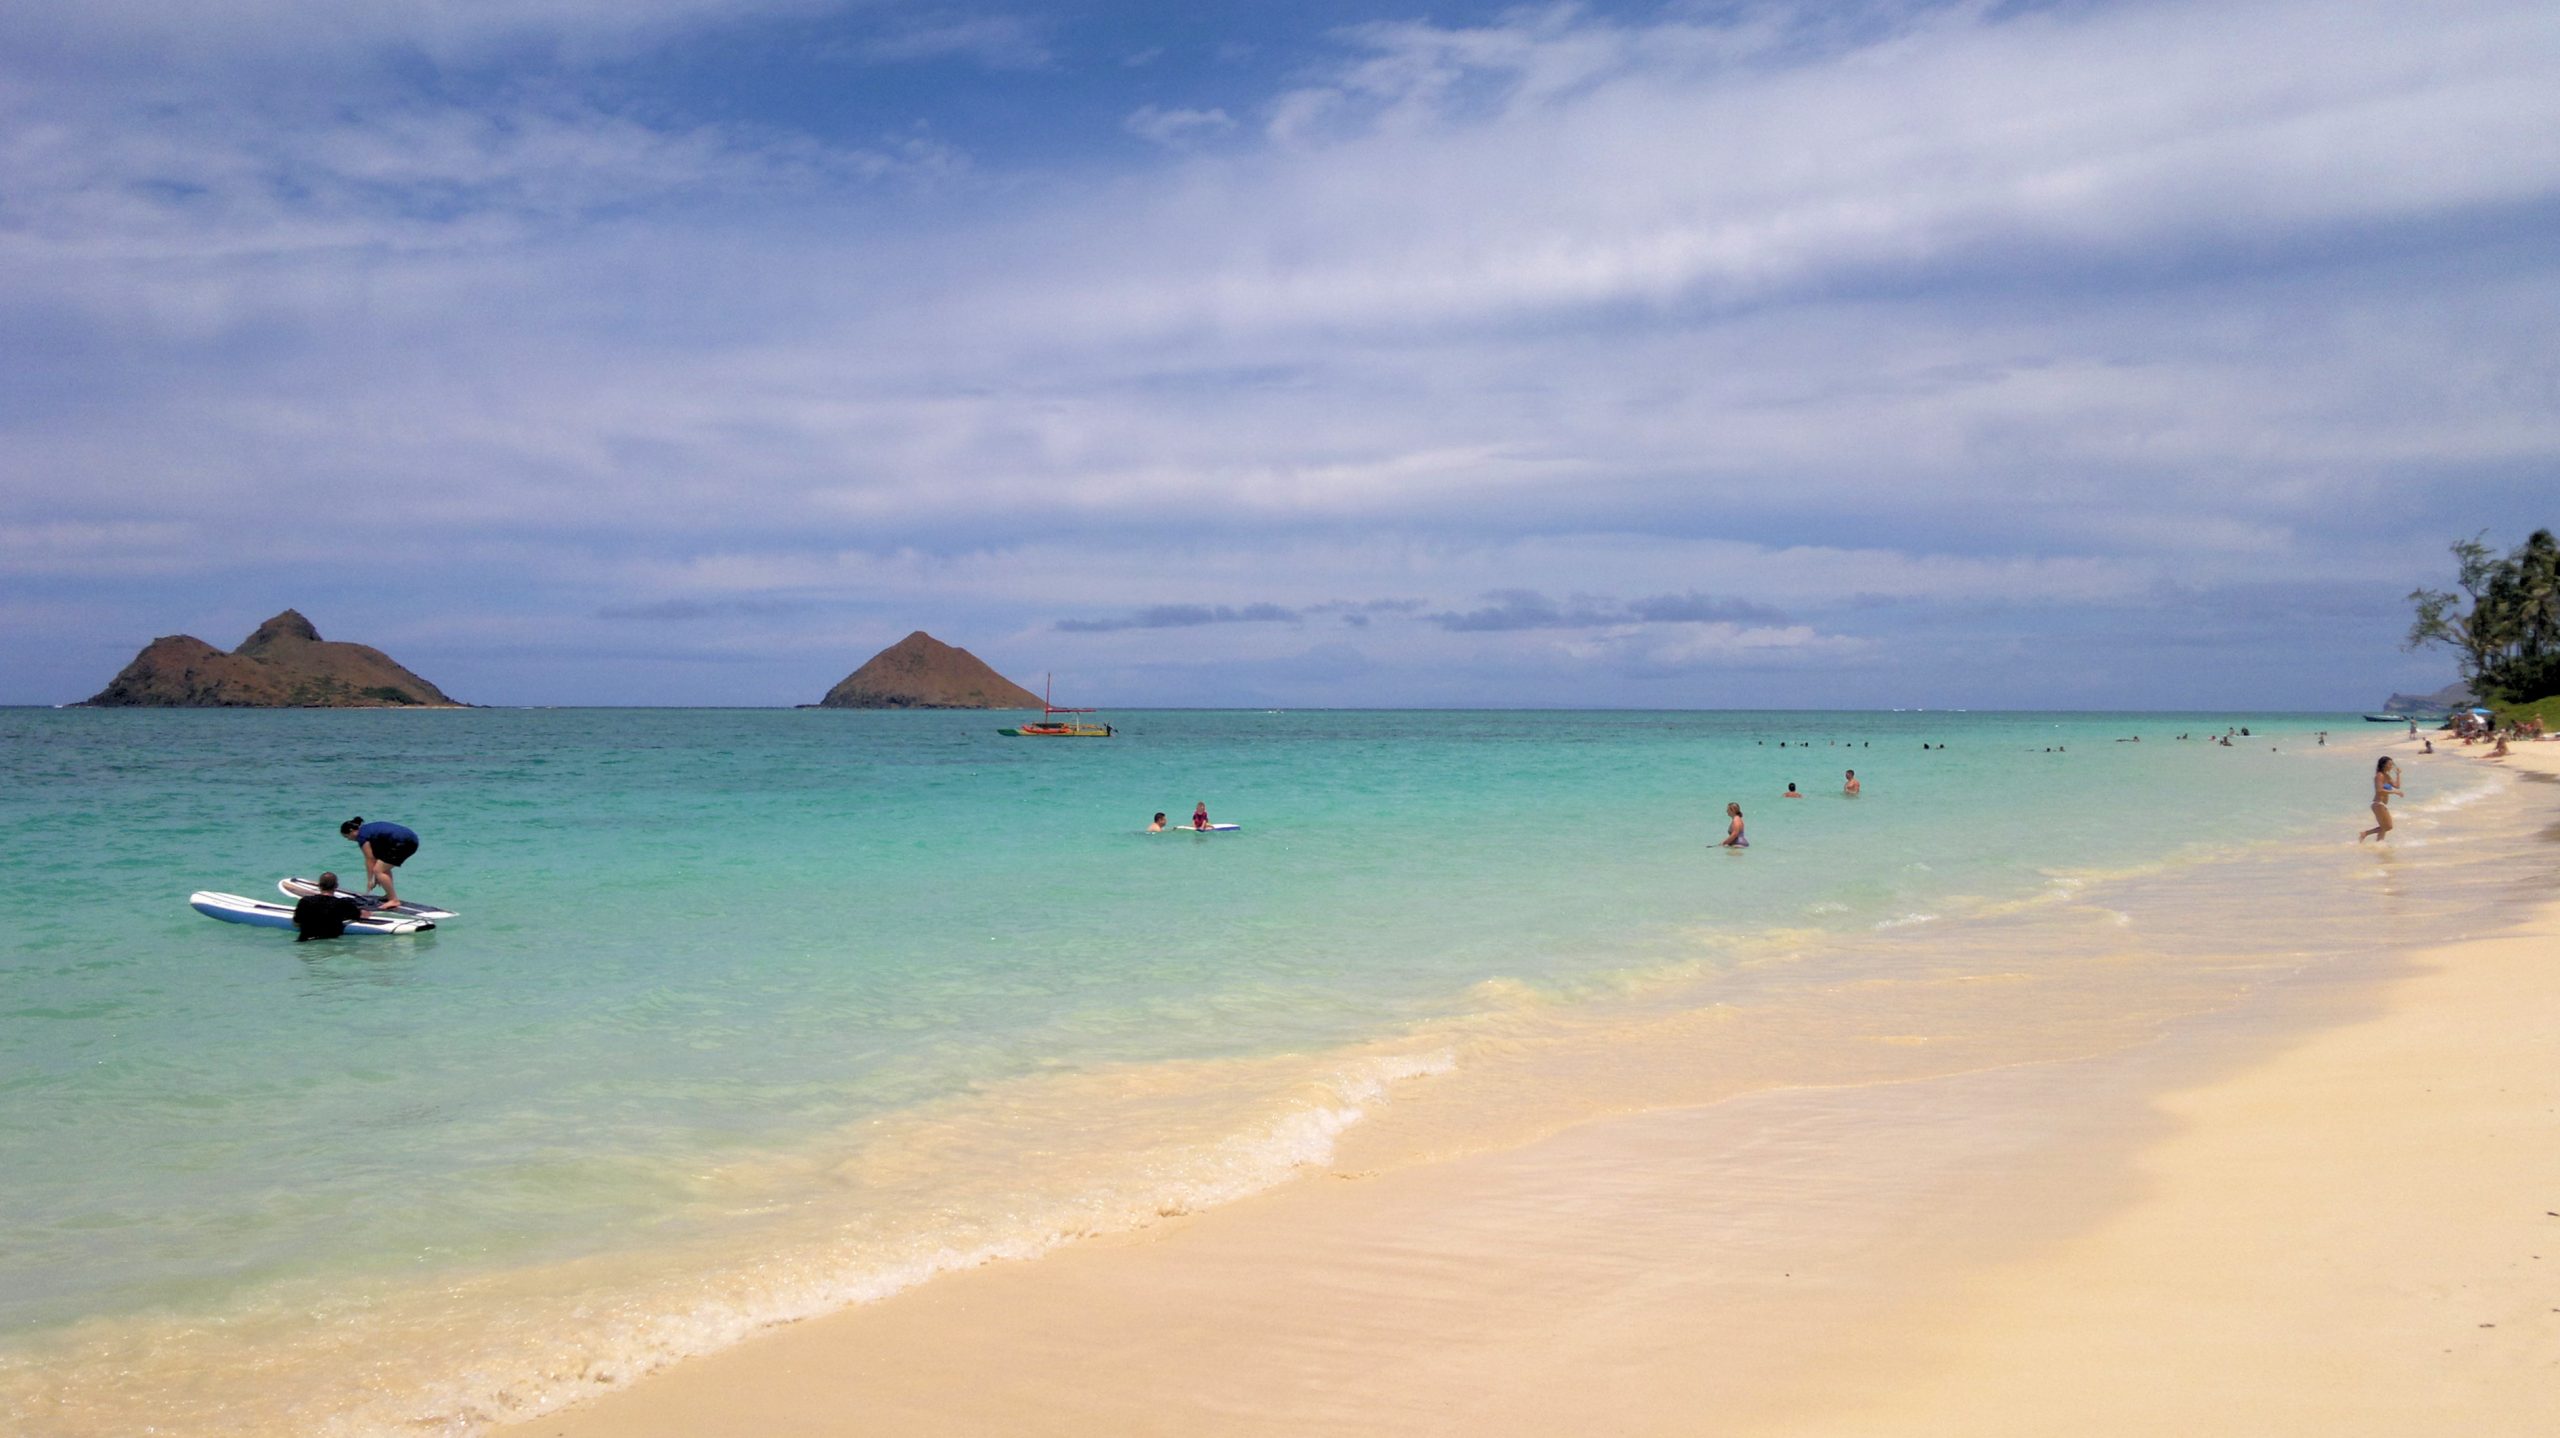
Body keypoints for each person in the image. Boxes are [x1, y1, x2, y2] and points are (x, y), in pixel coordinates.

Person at [340, 816, 419, 908]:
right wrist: (377, 877)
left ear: (351, 831)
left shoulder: (361, 836)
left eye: (347, 836)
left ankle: (394, 900)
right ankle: (389, 895)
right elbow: (377, 857)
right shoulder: (368, 830)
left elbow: (369, 859)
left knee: (379, 870)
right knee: (382, 868)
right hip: (412, 839)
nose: (348, 839)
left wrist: (370, 880)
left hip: (403, 842)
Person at [291, 871, 370, 942]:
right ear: (336, 886)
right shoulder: (342, 904)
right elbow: (363, 915)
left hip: (305, 943)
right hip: (330, 945)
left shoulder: (305, 901)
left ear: (319, 886)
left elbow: (296, 923)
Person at [2358, 758, 2398, 843]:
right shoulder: (2379, 776)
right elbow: (2379, 791)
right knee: (2388, 826)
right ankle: (2365, 833)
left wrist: (2398, 774)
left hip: (2382, 804)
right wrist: (2394, 792)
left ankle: (2379, 846)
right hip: (2378, 804)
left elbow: (2397, 785)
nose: (2391, 766)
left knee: (2383, 828)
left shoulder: (2387, 776)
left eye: (2392, 764)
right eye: (2390, 764)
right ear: (2384, 765)